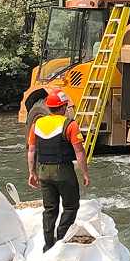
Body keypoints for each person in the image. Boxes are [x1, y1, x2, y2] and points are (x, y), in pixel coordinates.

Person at [25, 88, 89, 251]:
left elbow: (31, 150)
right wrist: (85, 173)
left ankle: (48, 244)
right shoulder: (70, 125)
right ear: (63, 107)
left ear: (49, 107)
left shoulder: (37, 124)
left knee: (49, 209)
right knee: (70, 206)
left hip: (43, 171)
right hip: (63, 171)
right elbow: (79, 152)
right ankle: (61, 238)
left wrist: (32, 172)